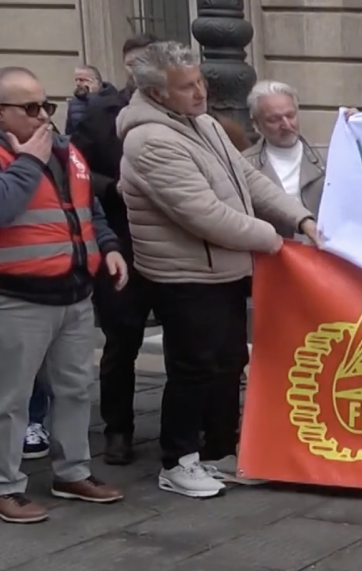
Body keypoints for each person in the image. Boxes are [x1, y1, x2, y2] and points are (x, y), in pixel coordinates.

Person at [118, 41, 322, 498]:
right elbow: (205, 215)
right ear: (156, 94)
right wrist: (274, 241)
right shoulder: (150, 140)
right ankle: (178, 460)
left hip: (222, 269)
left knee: (228, 362)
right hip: (185, 275)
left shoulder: (203, 123)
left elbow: (249, 180)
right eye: (186, 87)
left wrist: (300, 219)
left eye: (200, 82)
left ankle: (218, 450)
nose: (200, 92)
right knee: (194, 367)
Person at [0, 66, 129, 524]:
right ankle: (6, 485)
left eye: (45, 105)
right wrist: (28, 163)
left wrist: (108, 248)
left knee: (74, 388)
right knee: (11, 398)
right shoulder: (27, 156)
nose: (42, 116)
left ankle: (72, 471)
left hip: (74, 292)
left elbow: (86, 208)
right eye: (30, 107)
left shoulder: (63, 149)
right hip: (18, 296)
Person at [70, 32, 157, 466]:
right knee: (122, 340)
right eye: (134, 62)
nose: (140, 70)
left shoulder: (184, 113)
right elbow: (76, 171)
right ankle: (118, 429)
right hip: (120, 240)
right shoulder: (101, 112)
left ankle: (188, 427)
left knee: (188, 339)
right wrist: (112, 187)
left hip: (173, 243)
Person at [243, 80, 325, 218]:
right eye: (274, 119)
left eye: (290, 116)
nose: (286, 125)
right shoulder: (245, 165)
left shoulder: (327, 156)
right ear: (257, 124)